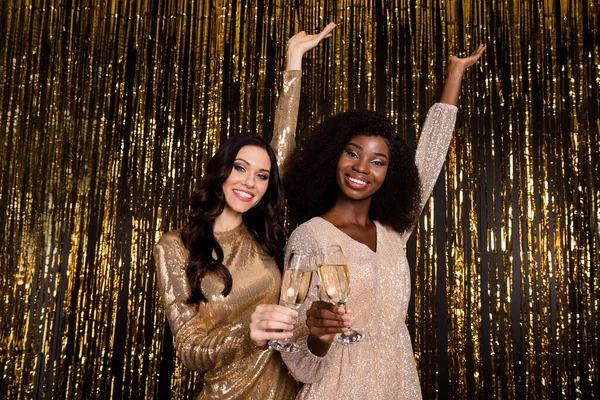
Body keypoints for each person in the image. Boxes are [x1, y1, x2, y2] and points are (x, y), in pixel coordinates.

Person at [279, 45, 486, 399]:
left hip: (398, 382)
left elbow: (430, 159)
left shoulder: (393, 234)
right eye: (353, 153)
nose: (362, 168)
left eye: (378, 161)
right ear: (333, 156)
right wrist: (318, 337)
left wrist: (455, 74)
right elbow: (295, 355)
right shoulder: (309, 236)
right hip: (338, 388)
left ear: (392, 173)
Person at [153, 24, 336, 400]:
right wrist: (247, 333)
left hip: (287, 390)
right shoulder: (175, 246)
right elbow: (188, 348)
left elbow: (281, 144)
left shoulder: (260, 235)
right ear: (221, 170)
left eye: (262, 175)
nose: (249, 182)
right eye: (240, 167)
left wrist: (294, 61)